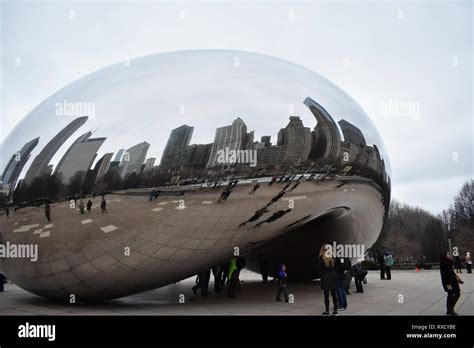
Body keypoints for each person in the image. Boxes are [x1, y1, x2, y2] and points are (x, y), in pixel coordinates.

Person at [440, 251, 463, 315]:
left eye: (449, 254)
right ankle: (450, 310)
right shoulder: (443, 263)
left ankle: (450, 309)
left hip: (453, 281)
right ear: (444, 255)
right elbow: (444, 275)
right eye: (448, 254)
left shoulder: (449, 261)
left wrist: (457, 278)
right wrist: (447, 284)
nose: (449, 255)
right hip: (449, 282)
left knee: (457, 293)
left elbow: (451, 271)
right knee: (450, 295)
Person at [319, 244, 338, 315]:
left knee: (326, 295)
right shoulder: (332, 257)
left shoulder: (321, 258)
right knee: (334, 294)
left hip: (325, 277)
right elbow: (335, 267)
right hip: (333, 277)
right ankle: (335, 311)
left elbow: (320, 270)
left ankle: (327, 311)